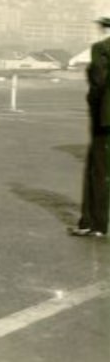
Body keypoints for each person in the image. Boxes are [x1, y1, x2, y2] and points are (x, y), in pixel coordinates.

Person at [70, 15, 110, 238]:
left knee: (98, 170)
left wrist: (95, 106)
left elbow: (98, 82)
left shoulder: (101, 48)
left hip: (104, 120)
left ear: (104, 29)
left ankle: (94, 224)